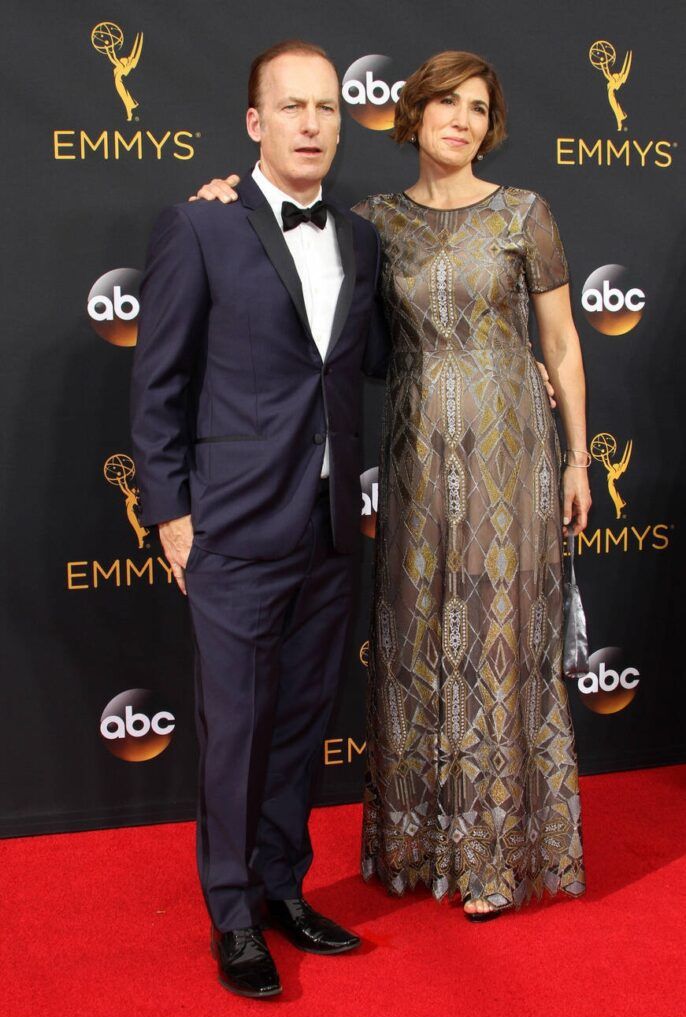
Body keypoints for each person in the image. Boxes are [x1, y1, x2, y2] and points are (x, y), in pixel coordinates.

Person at [191, 50, 589, 921]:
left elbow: (561, 344)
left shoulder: (528, 213)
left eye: (478, 108)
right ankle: (419, 849)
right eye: (446, 103)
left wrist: (576, 454)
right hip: (413, 457)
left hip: (508, 451)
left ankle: (495, 852)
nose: (462, 120)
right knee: (416, 637)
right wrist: (226, 200)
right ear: (412, 116)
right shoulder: (370, 227)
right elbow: (329, 336)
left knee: (500, 635)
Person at [130, 40, 388, 1000]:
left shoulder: (358, 240)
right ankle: (232, 914)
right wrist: (169, 515)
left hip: (329, 529)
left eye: (326, 107)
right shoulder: (198, 229)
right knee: (234, 731)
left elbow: (371, 360)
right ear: (255, 124)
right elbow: (159, 384)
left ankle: (284, 887)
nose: (314, 123)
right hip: (233, 531)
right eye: (293, 108)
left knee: (298, 726)